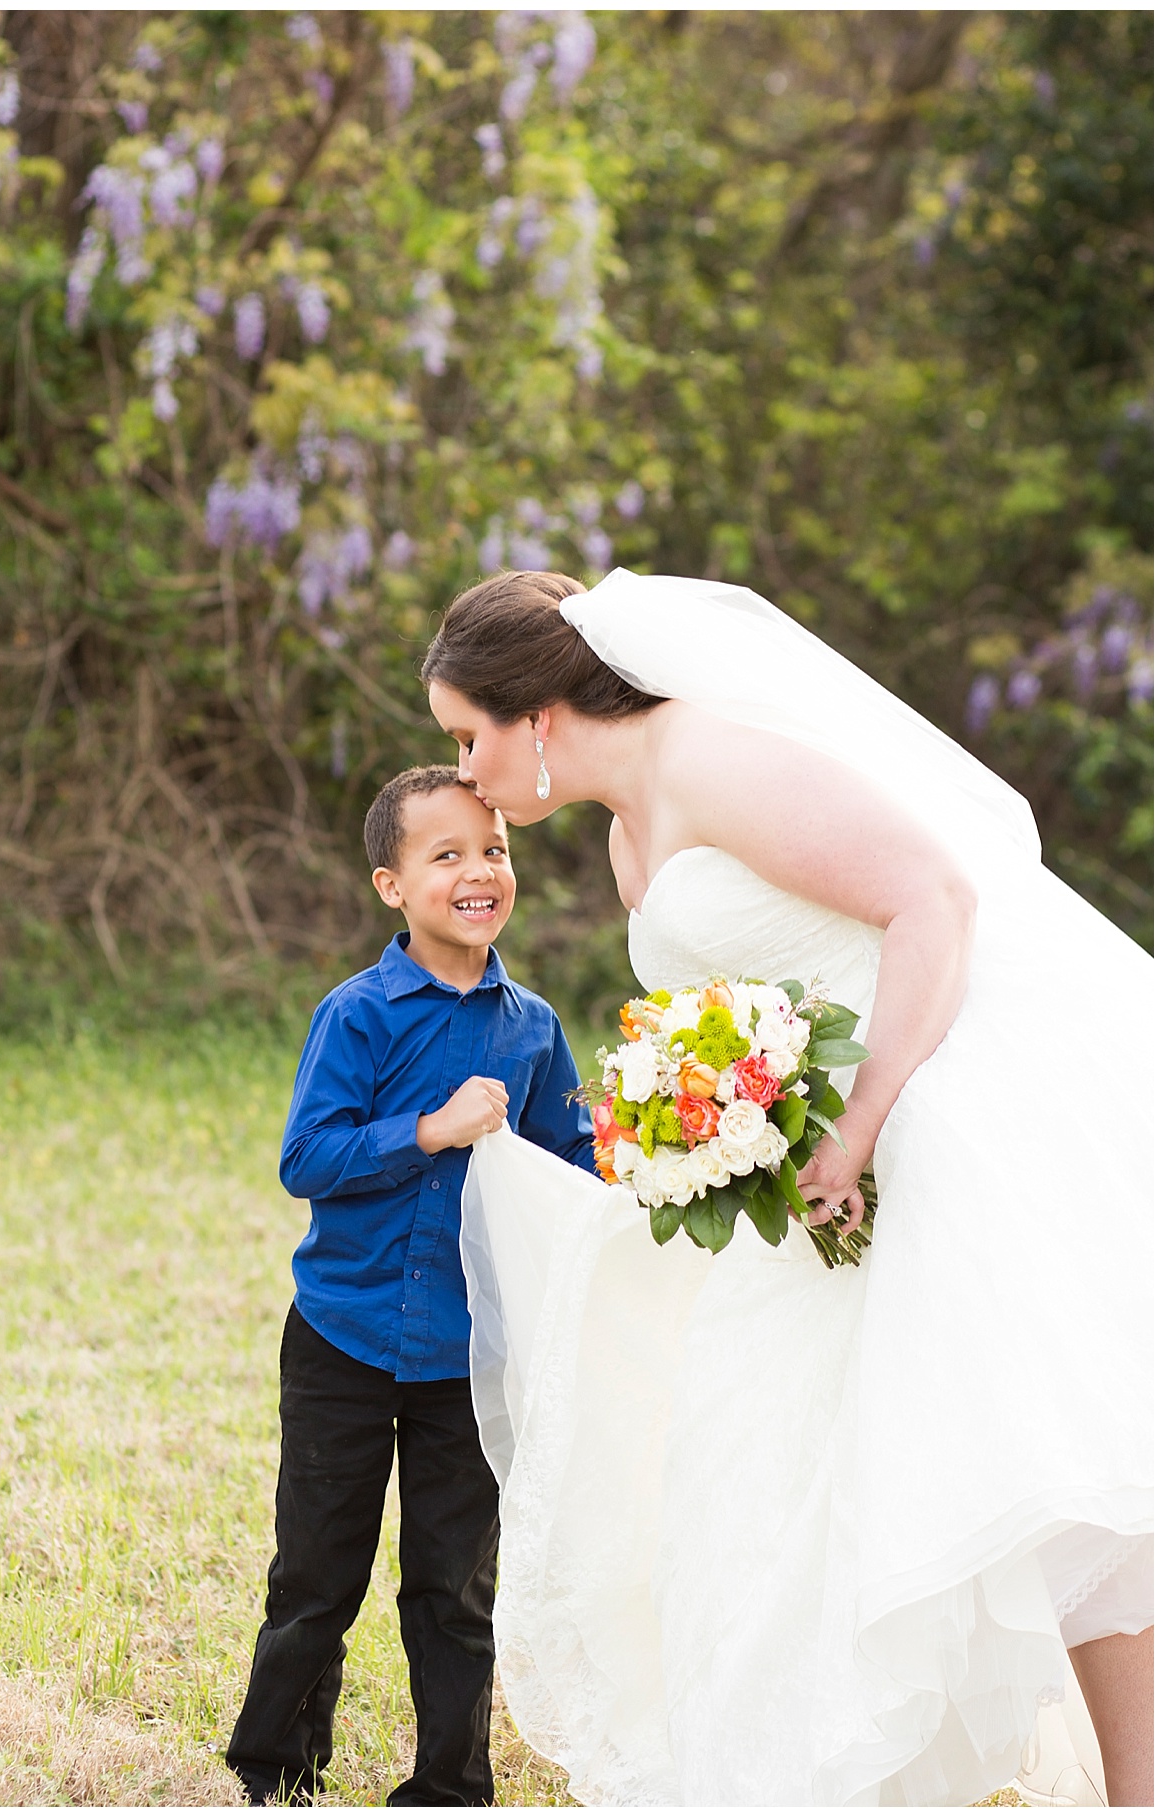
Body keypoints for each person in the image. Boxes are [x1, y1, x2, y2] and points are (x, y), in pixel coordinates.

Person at [425, 567, 1153, 1806]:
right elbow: (725, 1013)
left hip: (927, 1105)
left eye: (465, 736)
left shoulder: (710, 759)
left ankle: (1141, 1790)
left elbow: (933, 898)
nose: (464, 769)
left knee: (1020, 1457)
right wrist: (687, 1121)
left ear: (534, 717)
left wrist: (862, 1118)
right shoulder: (621, 832)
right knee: (748, 1470)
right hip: (805, 1184)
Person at [227, 767, 600, 1805]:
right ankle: (275, 1767)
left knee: (452, 1586)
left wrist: (631, 1156)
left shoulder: (528, 1026)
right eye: (446, 854)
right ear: (391, 884)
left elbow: (565, 1159)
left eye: (494, 850)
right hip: (341, 1338)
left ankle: (447, 1784)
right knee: (314, 1575)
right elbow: (306, 1157)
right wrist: (427, 1129)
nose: (478, 870)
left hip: (464, 1355)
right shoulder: (355, 1015)